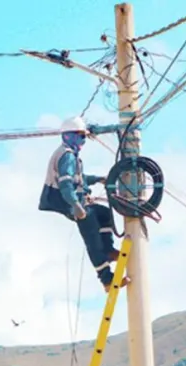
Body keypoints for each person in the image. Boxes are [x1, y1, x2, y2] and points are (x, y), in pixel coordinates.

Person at [39, 116, 129, 293]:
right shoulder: (66, 156)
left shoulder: (70, 155)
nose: (79, 141)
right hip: (68, 202)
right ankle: (106, 279)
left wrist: (97, 179)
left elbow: (78, 179)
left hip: (75, 201)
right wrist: (77, 207)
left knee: (104, 214)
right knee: (92, 237)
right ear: (68, 137)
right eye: (77, 137)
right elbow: (65, 185)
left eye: (81, 138)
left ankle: (108, 249)